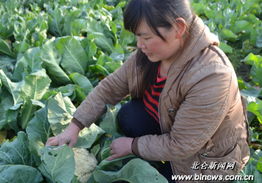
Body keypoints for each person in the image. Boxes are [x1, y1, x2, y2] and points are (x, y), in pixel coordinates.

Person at [46, 0, 250, 182]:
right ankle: (156, 157)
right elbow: (110, 88)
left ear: (178, 28)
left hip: (204, 160)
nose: (139, 45)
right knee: (129, 115)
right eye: (137, 36)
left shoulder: (211, 76)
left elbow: (182, 145)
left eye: (146, 37)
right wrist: (74, 127)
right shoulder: (150, 54)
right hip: (171, 131)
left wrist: (133, 146)